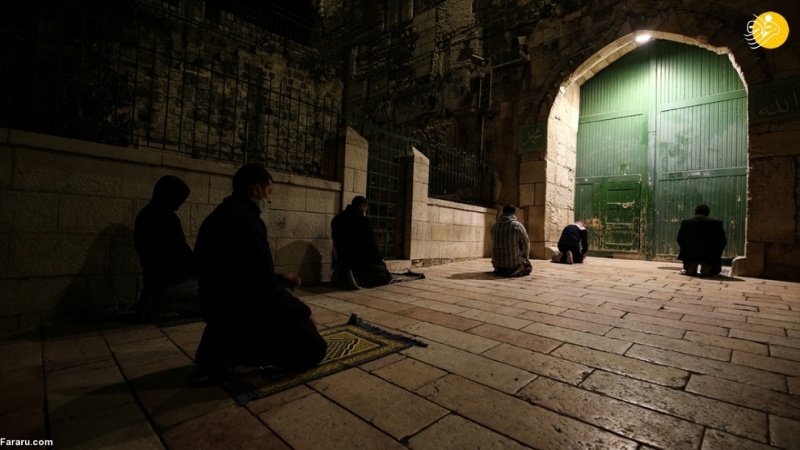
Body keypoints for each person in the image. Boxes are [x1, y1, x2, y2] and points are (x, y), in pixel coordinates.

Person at [194, 163, 327, 377]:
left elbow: (242, 272)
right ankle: (236, 354)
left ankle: (219, 348)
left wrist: (281, 278)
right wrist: (303, 311)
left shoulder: (218, 216)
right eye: (269, 192)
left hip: (217, 309)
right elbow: (262, 287)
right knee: (315, 347)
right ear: (255, 190)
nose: (270, 199)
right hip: (239, 311)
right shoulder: (247, 222)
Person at [133, 175, 200, 320]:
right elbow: (179, 255)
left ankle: (160, 302)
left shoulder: (146, 215)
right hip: (169, 281)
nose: (179, 205)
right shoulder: (165, 218)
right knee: (219, 300)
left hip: (158, 278)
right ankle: (164, 305)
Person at [330, 196, 392, 289]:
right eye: (365, 208)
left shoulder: (337, 219)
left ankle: (343, 274)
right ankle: (358, 278)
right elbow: (371, 244)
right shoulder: (364, 221)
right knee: (386, 275)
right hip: (360, 261)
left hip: (343, 259)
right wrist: (380, 259)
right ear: (362, 207)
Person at [677, 204, 727, 276]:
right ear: (708, 213)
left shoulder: (686, 222)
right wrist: (716, 253)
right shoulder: (716, 223)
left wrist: (687, 250)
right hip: (709, 255)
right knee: (712, 267)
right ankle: (709, 267)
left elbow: (680, 239)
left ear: (695, 212)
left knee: (689, 251)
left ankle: (690, 266)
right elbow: (722, 241)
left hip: (691, 254)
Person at [490, 205, 532, 277]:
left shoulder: (494, 225)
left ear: (503, 212)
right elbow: (526, 244)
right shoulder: (517, 225)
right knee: (528, 267)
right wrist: (525, 258)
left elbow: (493, 240)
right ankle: (514, 272)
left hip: (497, 265)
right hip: (512, 266)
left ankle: (500, 271)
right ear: (514, 213)